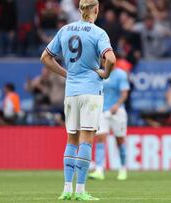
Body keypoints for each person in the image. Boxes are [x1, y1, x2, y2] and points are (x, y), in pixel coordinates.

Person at [40, 0, 116, 200]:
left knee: (71, 139)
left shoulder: (64, 30)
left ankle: (66, 190)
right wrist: (105, 74)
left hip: (71, 92)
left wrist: (66, 73)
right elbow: (112, 59)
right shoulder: (98, 33)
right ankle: (80, 191)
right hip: (90, 91)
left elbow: (45, 58)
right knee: (87, 139)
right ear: (96, 9)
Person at [89, 66, 130, 181]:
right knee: (100, 138)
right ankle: (99, 170)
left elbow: (124, 93)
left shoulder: (120, 74)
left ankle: (122, 168)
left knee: (120, 140)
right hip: (102, 111)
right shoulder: (99, 73)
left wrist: (117, 105)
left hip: (118, 111)